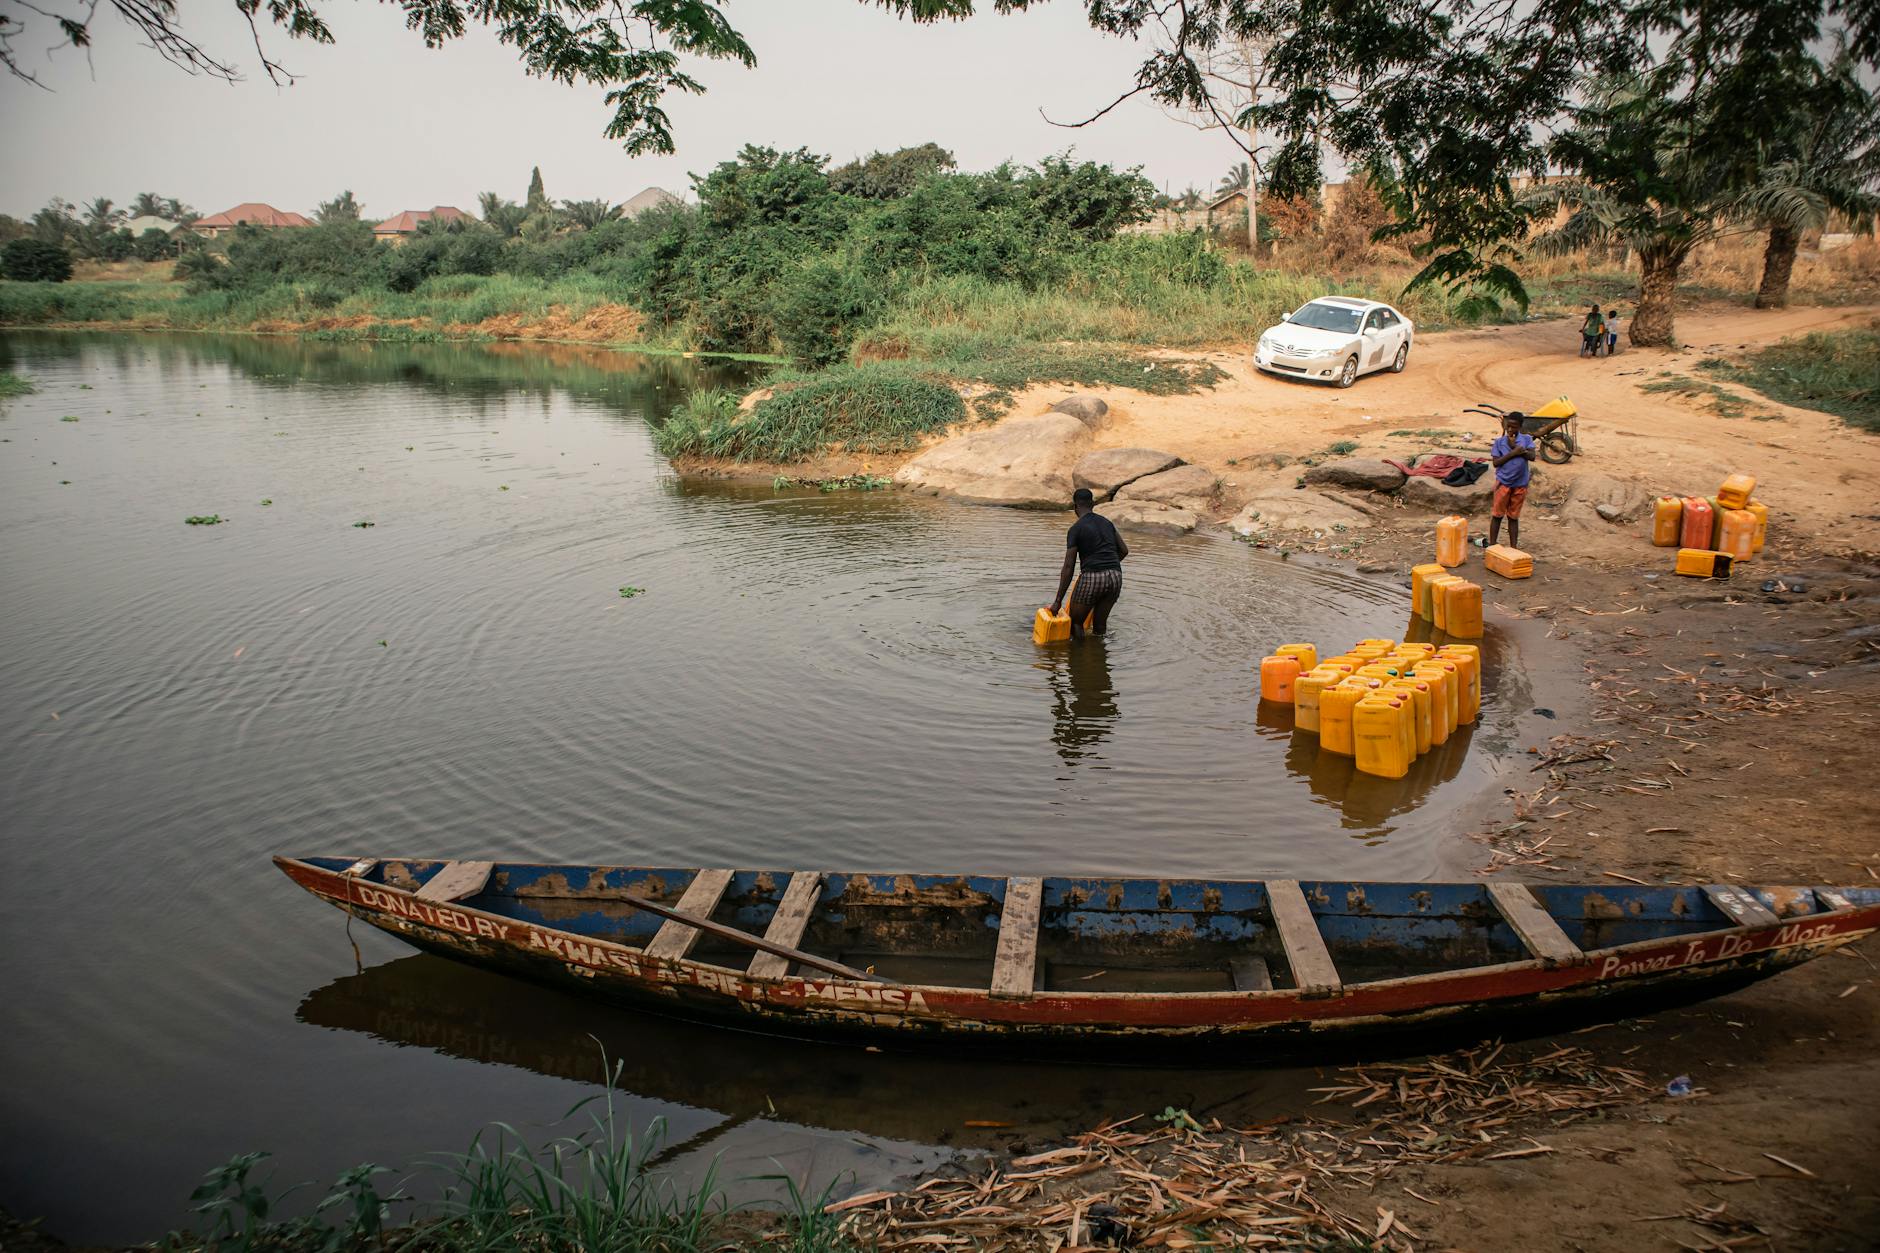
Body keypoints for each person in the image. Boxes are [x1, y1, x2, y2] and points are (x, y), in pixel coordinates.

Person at [1051, 488, 1128, 640]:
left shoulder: (1076, 529)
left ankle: (1078, 654)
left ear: (1075, 507)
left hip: (1092, 577)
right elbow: (1124, 550)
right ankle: (1099, 652)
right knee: (1100, 626)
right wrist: (1107, 566)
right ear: (1092, 504)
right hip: (1115, 576)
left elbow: (1068, 567)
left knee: (1075, 624)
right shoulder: (1107, 523)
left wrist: (1057, 601)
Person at [1488, 412, 1536, 548]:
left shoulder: (1526, 439)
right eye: (1508, 426)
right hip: (1503, 483)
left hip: (1520, 484)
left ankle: (1513, 548)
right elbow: (1496, 463)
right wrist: (1514, 452)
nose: (1510, 429)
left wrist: (1520, 450)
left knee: (1513, 517)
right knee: (1497, 515)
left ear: (1520, 427)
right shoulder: (1499, 442)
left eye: (1513, 427)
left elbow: (1532, 456)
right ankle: (1492, 545)